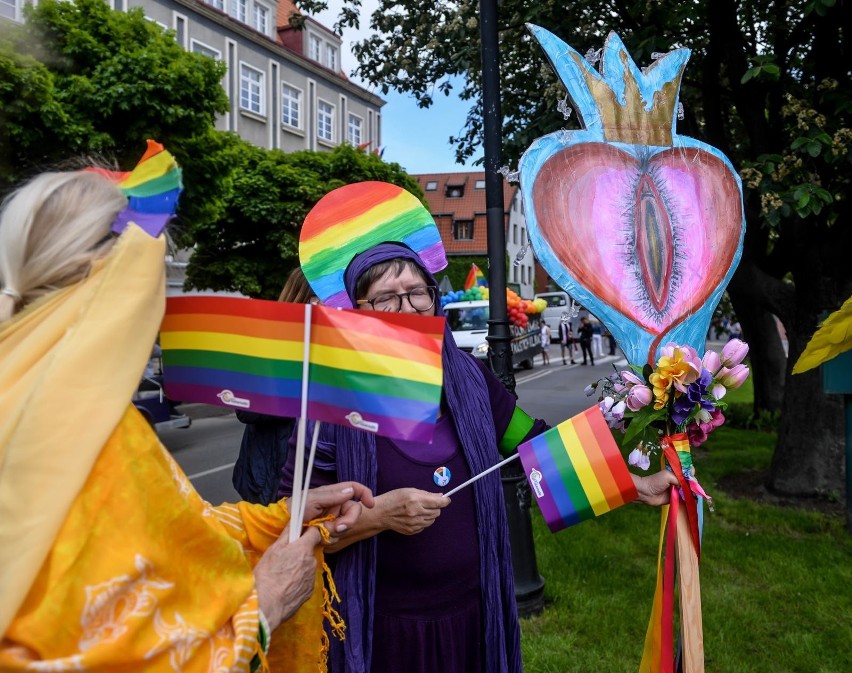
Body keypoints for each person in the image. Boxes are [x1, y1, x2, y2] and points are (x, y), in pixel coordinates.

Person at [0, 164, 374, 670]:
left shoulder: (54, 394)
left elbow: (169, 533)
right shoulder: (77, 431)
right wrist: (265, 606)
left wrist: (282, 515)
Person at [285, 241, 678, 673]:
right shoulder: (331, 402)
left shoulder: (471, 379)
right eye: (386, 297)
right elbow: (292, 525)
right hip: (381, 629)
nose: (409, 307)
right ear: (360, 311)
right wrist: (380, 517)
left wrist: (633, 486)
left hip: (475, 617)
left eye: (418, 291)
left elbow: (533, 445)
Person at [233, 267, 317, 505]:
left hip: (311, 476)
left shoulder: (329, 344)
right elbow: (245, 407)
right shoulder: (269, 343)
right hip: (271, 479)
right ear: (303, 298)